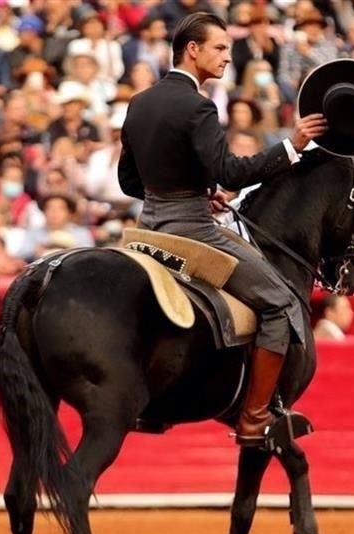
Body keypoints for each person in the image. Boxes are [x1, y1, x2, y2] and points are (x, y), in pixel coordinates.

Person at [117, 12, 327, 447]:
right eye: (219, 48)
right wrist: (293, 145)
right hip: (191, 230)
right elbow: (232, 171)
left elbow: (129, 182)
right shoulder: (197, 105)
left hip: (148, 227)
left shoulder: (140, 102)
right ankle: (254, 417)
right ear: (192, 49)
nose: (227, 58)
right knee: (281, 302)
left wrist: (194, 189)